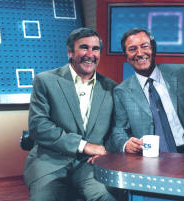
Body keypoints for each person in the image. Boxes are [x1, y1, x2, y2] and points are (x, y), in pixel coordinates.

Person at [24, 27, 117, 201]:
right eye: (84, 47)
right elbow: (39, 126)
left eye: (95, 49)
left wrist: (107, 150)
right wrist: (83, 145)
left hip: (90, 165)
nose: (90, 54)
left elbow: (116, 130)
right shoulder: (45, 81)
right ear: (70, 52)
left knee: (105, 197)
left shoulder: (111, 88)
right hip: (50, 163)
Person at [109, 28, 184, 155]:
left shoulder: (182, 73)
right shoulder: (121, 91)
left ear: (153, 49)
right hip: (150, 162)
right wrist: (125, 143)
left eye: (144, 46)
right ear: (126, 56)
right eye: (132, 49)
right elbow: (117, 130)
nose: (139, 53)